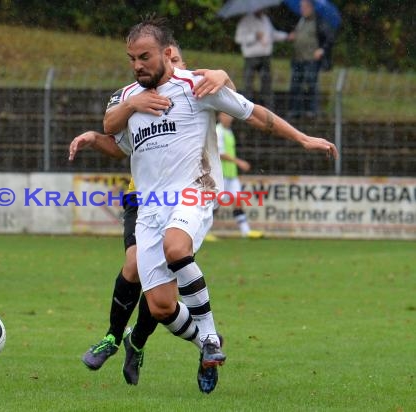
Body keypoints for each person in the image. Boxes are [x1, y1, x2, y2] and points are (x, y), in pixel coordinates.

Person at [97, 16, 337, 393]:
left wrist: (304, 138)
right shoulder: (129, 97)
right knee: (160, 306)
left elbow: (253, 112)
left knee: (177, 246)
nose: (138, 64)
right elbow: (111, 127)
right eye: (132, 58)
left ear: (167, 53)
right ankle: (205, 347)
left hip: (196, 190)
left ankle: (208, 335)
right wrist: (132, 105)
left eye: (145, 56)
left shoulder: (198, 86)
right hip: (150, 207)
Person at [71, 43, 236, 394]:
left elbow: (235, 104)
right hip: (142, 199)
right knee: (134, 265)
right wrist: (95, 138)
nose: (170, 69)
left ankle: (148, 343)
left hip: (186, 201)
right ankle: (114, 338)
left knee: (163, 303)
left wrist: (225, 76)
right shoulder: (134, 97)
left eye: (176, 63)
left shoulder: (193, 92)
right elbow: (121, 145)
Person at [216, 113, 263, 238]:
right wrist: (239, 162)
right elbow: (220, 153)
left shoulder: (228, 131)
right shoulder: (218, 131)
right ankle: (204, 233)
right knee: (214, 204)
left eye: (230, 116)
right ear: (220, 116)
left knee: (237, 200)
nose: (229, 118)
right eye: (226, 115)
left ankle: (245, 231)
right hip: (220, 174)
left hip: (231, 173)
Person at [288, 0, 335, 118]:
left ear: (311, 7)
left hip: (311, 60)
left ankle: (312, 111)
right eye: (301, 7)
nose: (302, 9)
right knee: (295, 85)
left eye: (304, 7)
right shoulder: (301, 20)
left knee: (311, 85)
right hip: (298, 59)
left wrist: (322, 50)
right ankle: (295, 111)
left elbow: (329, 38)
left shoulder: (319, 21)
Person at [235, 9, 288, 109]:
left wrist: (286, 36)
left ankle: (269, 109)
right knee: (248, 84)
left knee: (266, 84)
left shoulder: (265, 19)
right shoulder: (245, 21)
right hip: (251, 57)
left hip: (265, 57)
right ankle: (246, 108)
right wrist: (255, 36)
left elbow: (272, 34)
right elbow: (239, 38)